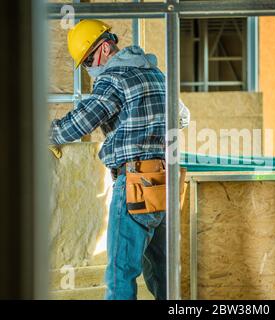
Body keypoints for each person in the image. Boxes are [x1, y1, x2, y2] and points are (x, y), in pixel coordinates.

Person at [48, 19, 189, 300]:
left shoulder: (113, 79)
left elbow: (76, 125)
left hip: (135, 185)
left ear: (101, 49)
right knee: (162, 272)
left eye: (87, 62)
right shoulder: (156, 74)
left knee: (119, 274)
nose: (89, 70)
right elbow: (183, 117)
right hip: (165, 184)